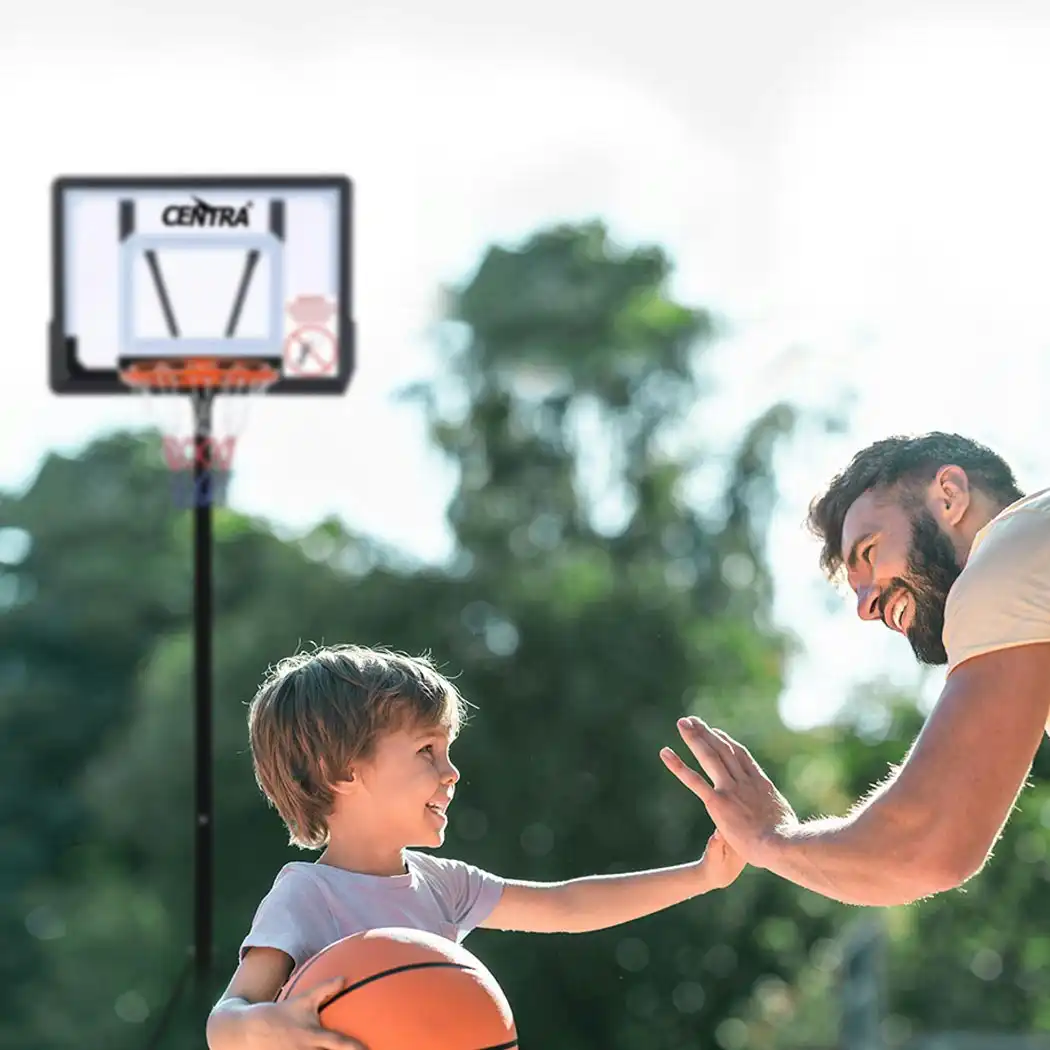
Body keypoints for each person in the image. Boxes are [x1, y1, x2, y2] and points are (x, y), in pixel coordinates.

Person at [207, 645, 744, 1050]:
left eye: (448, 750)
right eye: (427, 750)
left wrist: (701, 876)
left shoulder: (444, 884)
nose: (452, 772)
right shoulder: (306, 894)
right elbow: (223, 1020)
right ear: (342, 770)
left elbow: (567, 905)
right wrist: (262, 1026)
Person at [661, 431, 1050, 908]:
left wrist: (766, 838)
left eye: (868, 552)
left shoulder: (1003, 558)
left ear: (949, 495)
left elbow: (921, 847)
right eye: (856, 590)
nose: (866, 608)